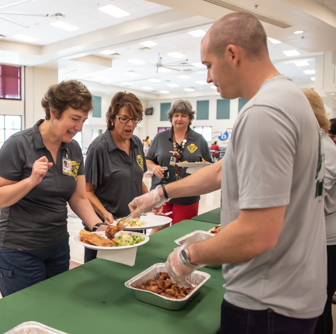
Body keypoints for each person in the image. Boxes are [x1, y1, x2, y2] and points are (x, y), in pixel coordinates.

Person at [129, 12, 326, 333]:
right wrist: (161, 193)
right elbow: (225, 169)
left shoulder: (264, 113)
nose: (207, 77)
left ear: (233, 54)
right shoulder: (291, 97)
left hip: (268, 301)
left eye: (208, 64)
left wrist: (189, 255)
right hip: (295, 288)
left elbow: (257, 233)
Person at [0, 80, 109, 297]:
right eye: (74, 119)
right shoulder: (18, 144)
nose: (79, 127)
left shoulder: (72, 148)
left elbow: (78, 196)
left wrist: (98, 227)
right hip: (19, 250)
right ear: (54, 113)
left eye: (83, 120)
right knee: (27, 316)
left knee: (55, 310)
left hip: (57, 247)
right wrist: (30, 181)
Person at [83, 92, 148, 262]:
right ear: (112, 118)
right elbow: (87, 192)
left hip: (132, 226)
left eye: (135, 119)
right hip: (106, 229)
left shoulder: (137, 144)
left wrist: (151, 199)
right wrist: (105, 214)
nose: (130, 124)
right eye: (124, 118)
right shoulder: (98, 148)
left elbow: (137, 179)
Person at [146, 100, 211, 232]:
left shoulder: (199, 140)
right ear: (171, 117)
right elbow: (148, 159)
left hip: (188, 194)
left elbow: (209, 164)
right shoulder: (160, 138)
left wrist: (201, 167)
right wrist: (154, 168)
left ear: (190, 118)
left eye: (184, 115)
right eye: (176, 115)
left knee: (180, 232)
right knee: (158, 230)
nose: (179, 119)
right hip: (162, 192)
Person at [303, 89, 336, 334]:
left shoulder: (325, 149)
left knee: (319, 305)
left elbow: (312, 200)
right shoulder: (315, 144)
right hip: (319, 236)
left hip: (327, 241)